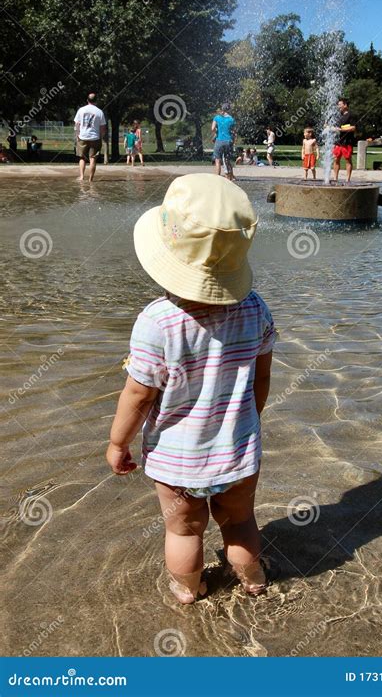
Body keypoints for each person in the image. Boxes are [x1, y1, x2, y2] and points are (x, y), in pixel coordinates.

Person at [106, 174, 277, 605]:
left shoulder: (157, 321)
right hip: (237, 449)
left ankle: (188, 589)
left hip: (176, 459)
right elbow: (260, 378)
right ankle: (253, 578)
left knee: (183, 528)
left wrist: (117, 442)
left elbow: (139, 394)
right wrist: (249, 419)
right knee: (239, 522)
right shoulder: (255, 308)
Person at [74, 93, 107, 182]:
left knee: (82, 158)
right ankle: (90, 179)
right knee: (93, 158)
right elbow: (103, 128)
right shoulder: (99, 112)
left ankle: (81, 177)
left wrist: (77, 134)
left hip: (83, 136)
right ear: (96, 101)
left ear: (87, 100)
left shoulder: (81, 110)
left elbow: (77, 124)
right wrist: (101, 136)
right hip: (95, 137)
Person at [333, 98, 357, 184]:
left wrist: (341, 130)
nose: (338, 106)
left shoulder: (351, 115)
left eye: (340, 104)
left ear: (345, 105)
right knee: (336, 159)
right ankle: (335, 178)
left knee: (348, 160)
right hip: (338, 141)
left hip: (347, 142)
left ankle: (347, 179)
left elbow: (353, 128)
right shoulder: (338, 115)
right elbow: (335, 126)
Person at [211, 103, 236, 180]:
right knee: (227, 160)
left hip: (219, 141)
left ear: (222, 109)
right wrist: (233, 141)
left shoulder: (217, 118)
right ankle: (230, 178)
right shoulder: (231, 119)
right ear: (229, 110)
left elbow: (212, 128)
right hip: (228, 141)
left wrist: (216, 133)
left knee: (218, 160)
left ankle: (217, 178)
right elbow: (234, 132)